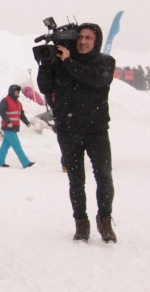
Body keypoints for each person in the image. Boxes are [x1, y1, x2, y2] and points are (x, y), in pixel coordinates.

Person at [36, 23, 117, 243]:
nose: (83, 41)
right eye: (80, 37)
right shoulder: (60, 62)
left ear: (96, 40)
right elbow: (44, 87)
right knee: (76, 181)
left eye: (88, 38)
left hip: (96, 131)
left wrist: (68, 60)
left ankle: (105, 221)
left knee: (104, 178)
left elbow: (96, 79)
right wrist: (45, 63)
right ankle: (81, 223)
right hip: (68, 131)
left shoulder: (104, 62)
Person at [0, 85, 34, 168]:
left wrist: (27, 122)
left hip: (14, 127)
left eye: (18, 92)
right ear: (11, 92)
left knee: (5, 145)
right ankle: (25, 163)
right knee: (17, 145)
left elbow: (21, 115)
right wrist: (7, 122)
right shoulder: (5, 101)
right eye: (15, 91)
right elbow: (1, 111)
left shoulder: (18, 103)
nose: (17, 93)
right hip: (8, 127)